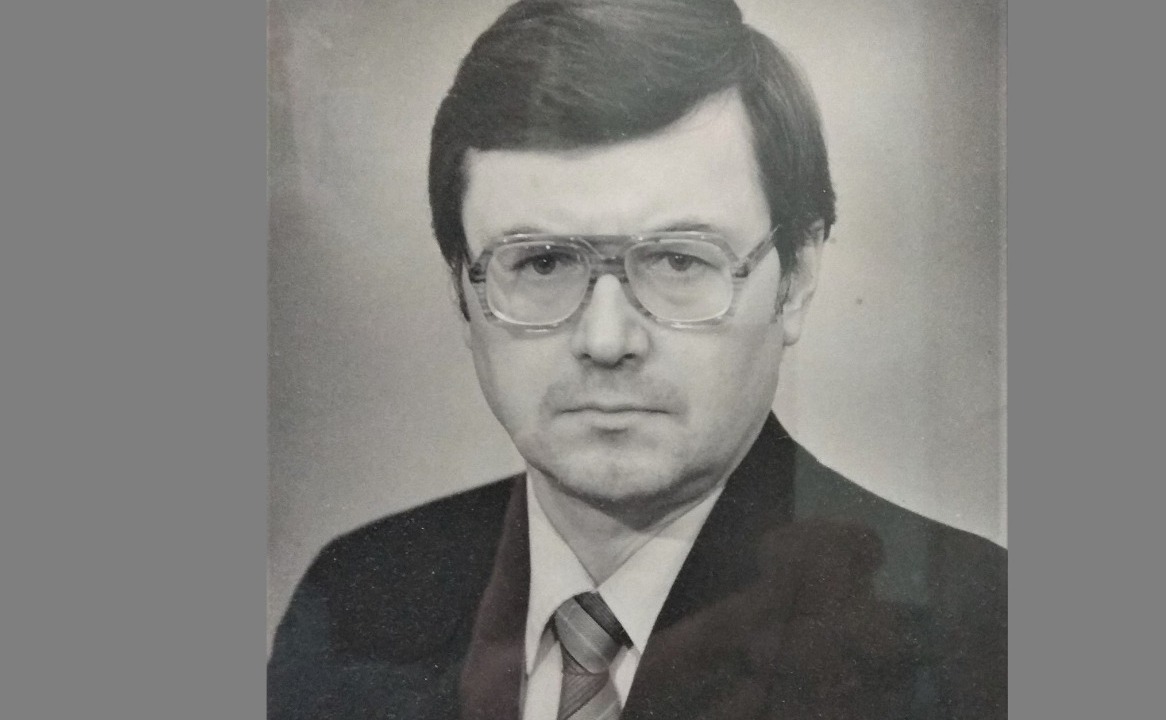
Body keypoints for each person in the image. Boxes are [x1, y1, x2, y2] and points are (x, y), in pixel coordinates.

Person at [268, 0, 1006, 718]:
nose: (606, 340)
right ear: (462, 289)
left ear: (797, 279)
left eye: (680, 260)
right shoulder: (352, 600)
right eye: (543, 261)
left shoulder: (975, 636)